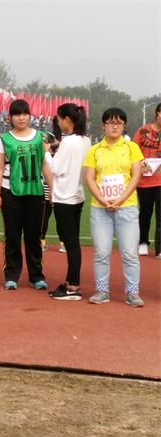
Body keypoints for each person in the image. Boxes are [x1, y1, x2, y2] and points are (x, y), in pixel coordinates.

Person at [83, 107, 144, 307]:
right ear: (103, 125)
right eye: (111, 122)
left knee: (129, 253)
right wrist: (102, 199)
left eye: (119, 123)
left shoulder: (132, 148)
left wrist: (120, 199)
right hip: (100, 209)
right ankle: (102, 291)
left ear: (124, 125)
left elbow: (136, 175)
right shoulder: (94, 150)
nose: (115, 126)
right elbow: (89, 178)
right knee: (101, 252)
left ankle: (132, 292)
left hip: (126, 207)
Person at [0, 99, 53, 290]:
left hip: (35, 192)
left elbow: (45, 165)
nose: (21, 118)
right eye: (17, 114)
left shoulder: (40, 137)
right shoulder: (4, 139)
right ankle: (11, 275)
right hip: (11, 191)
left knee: (34, 236)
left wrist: (53, 190)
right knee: (12, 235)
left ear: (30, 116)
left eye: (25, 114)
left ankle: (36, 276)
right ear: (10, 117)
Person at [45, 103, 91, 301]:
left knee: (71, 243)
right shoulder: (85, 140)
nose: (57, 122)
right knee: (72, 242)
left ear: (67, 120)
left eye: (59, 118)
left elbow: (56, 168)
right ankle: (71, 282)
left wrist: (47, 152)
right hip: (77, 195)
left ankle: (73, 286)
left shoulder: (68, 142)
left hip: (64, 197)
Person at [133, 103, 161, 258]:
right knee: (145, 213)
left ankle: (160, 248)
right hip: (145, 180)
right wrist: (141, 163)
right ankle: (142, 242)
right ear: (158, 113)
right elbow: (134, 152)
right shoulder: (142, 131)